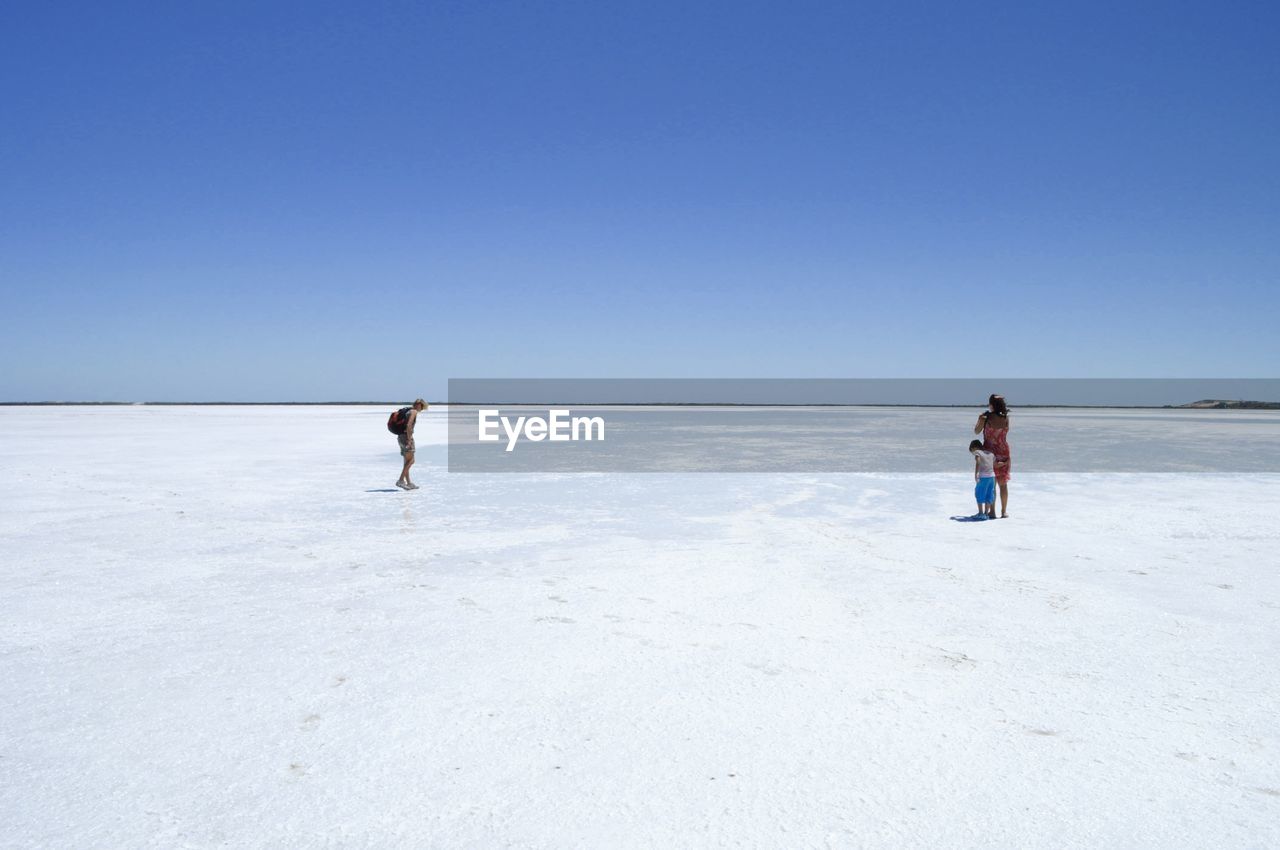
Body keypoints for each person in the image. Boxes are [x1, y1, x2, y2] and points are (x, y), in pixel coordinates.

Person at [974, 393, 1011, 518]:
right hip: (1004, 450)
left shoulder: (986, 417)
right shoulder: (1006, 418)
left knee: (992, 483)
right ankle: (1004, 511)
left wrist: (980, 420)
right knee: (1003, 483)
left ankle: (992, 511)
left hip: (990, 453)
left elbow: (976, 431)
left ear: (991, 405)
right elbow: (1005, 432)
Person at [396, 399, 428, 490]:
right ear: (419, 405)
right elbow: (409, 425)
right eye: (422, 407)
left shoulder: (408, 411)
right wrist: (409, 440)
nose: (421, 409)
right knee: (411, 461)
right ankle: (401, 480)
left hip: (400, 436)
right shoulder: (413, 412)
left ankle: (408, 483)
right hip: (406, 437)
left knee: (407, 461)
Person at [969, 439, 999, 519]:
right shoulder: (991, 454)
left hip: (983, 477)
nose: (973, 453)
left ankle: (981, 513)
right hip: (992, 477)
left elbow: (978, 462)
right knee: (989, 494)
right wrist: (1005, 463)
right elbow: (996, 465)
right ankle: (986, 514)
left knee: (979, 493)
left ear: (975, 448)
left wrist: (976, 473)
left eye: (972, 450)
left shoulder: (977, 452)